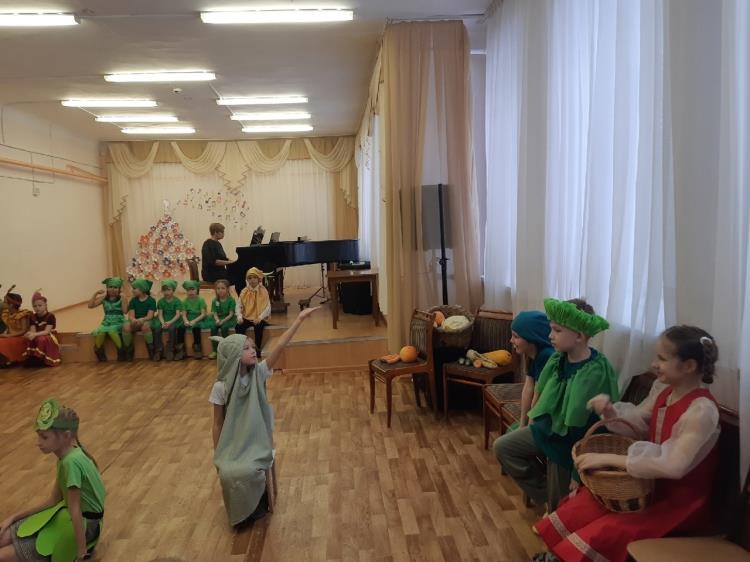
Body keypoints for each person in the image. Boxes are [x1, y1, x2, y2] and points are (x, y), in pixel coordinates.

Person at [533, 326, 721, 562]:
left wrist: (609, 459)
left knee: (606, 532)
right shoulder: (665, 391)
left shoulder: (701, 411)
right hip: (645, 487)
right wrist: (609, 411)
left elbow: (673, 465)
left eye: (662, 359)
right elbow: (638, 423)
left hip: (678, 503)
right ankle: (559, 556)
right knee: (579, 508)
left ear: (689, 366)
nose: (654, 364)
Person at [494, 298, 619, 512]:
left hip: (570, 445)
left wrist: (576, 472)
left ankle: (556, 509)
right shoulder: (557, 360)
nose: (550, 335)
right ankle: (547, 498)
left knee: (558, 501)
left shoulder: (594, 371)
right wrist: (530, 422)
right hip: (548, 430)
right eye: (551, 329)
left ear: (579, 336)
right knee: (503, 448)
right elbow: (540, 394)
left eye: (557, 330)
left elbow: (586, 427)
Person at [209, 305, 320, 526]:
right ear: (233, 356)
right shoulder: (220, 387)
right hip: (232, 443)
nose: (253, 351)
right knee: (229, 472)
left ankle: (256, 506)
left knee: (250, 469)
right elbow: (217, 424)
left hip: (256, 439)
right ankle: (240, 512)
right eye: (246, 349)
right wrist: (218, 454)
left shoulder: (258, 373)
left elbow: (280, 346)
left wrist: (298, 320)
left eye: (253, 347)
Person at [0, 399, 106, 562]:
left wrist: (82, 552)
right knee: (4, 536)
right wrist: (14, 517)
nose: (38, 443)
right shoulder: (67, 456)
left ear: (66, 436)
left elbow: (75, 511)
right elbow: (54, 500)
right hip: (69, 516)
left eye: (44, 437)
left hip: (84, 526)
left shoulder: (71, 463)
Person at [510, 310, 555, 428]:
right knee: (514, 429)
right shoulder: (532, 354)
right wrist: (522, 424)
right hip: (537, 412)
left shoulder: (546, 355)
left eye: (516, 336)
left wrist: (529, 427)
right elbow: (528, 387)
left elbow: (537, 396)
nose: (511, 340)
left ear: (532, 337)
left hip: (547, 416)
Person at [89, 277, 128, 362]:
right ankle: (99, 352)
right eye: (110, 287)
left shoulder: (121, 298)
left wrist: (124, 299)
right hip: (107, 322)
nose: (112, 289)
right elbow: (90, 306)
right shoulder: (104, 298)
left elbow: (125, 311)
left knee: (112, 331)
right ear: (107, 288)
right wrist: (95, 294)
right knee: (101, 332)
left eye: (115, 287)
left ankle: (121, 351)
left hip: (119, 321)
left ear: (119, 289)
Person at [236, 267, 271, 354]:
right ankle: (242, 348)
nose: (252, 280)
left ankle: (257, 349)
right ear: (247, 280)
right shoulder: (244, 291)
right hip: (247, 316)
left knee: (258, 327)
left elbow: (267, 307)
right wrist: (239, 317)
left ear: (258, 279)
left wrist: (260, 318)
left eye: (255, 277)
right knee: (239, 327)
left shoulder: (263, 291)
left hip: (260, 317)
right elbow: (239, 305)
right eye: (250, 278)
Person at [23, 290, 61, 368]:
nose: (37, 308)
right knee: (30, 338)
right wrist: (29, 334)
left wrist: (34, 334)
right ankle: (32, 357)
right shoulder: (33, 316)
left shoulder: (50, 316)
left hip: (49, 335)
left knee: (41, 339)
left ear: (45, 305)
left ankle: (40, 359)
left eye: (40, 305)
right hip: (38, 334)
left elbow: (47, 331)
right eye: (35, 306)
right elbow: (33, 330)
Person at [122, 278, 157, 361]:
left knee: (145, 327)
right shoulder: (133, 301)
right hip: (136, 320)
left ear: (142, 289)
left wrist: (142, 319)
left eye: (134, 288)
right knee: (126, 327)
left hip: (147, 320)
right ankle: (128, 350)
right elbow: (131, 315)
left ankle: (151, 349)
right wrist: (133, 320)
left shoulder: (151, 301)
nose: (132, 290)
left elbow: (150, 316)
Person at [0, 290, 32, 368]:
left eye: (5, 302)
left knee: (1, 342)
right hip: (11, 336)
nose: (3, 303)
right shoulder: (6, 314)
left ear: (11, 305)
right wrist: (5, 334)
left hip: (21, 337)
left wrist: (8, 335)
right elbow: (9, 327)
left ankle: (9, 360)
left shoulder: (22, 314)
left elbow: (23, 331)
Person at [182, 280, 213, 360]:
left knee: (196, 328)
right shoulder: (185, 301)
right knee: (180, 327)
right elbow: (184, 314)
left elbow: (203, 314)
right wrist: (186, 321)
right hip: (189, 318)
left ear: (197, 290)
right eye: (188, 290)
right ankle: (181, 349)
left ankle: (197, 348)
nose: (191, 292)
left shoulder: (200, 300)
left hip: (199, 319)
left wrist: (194, 321)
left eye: (193, 289)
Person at [156, 279, 184, 362]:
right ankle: (159, 349)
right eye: (164, 290)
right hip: (164, 319)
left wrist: (169, 322)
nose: (166, 292)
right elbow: (160, 314)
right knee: (157, 329)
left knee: (172, 329)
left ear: (173, 290)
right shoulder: (161, 301)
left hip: (174, 320)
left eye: (168, 290)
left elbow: (178, 315)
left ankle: (170, 350)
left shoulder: (177, 301)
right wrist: (163, 323)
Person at [209, 279, 237, 360]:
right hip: (218, 319)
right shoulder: (215, 300)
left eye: (223, 288)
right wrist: (217, 320)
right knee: (213, 328)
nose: (220, 290)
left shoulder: (231, 300)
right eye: (218, 288)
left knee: (224, 328)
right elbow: (214, 313)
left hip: (228, 319)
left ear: (227, 289)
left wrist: (223, 321)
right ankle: (215, 350)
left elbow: (231, 314)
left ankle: (226, 350)